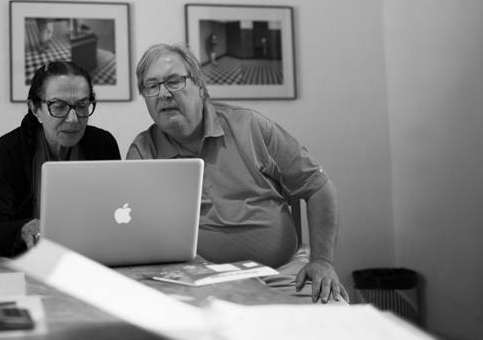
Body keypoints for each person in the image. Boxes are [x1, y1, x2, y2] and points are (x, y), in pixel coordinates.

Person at [127, 43, 348, 303]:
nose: (163, 94)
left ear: (199, 85)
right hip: (199, 280)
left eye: (174, 81)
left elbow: (319, 187)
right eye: (151, 86)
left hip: (284, 272)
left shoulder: (249, 126)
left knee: (331, 323)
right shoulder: (142, 153)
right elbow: (145, 233)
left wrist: (322, 260)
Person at [0, 60, 121, 257]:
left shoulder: (103, 144)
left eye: (82, 105)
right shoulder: (7, 151)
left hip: (92, 259)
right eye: (59, 106)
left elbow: (118, 217)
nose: (73, 119)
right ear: (36, 109)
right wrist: (24, 229)